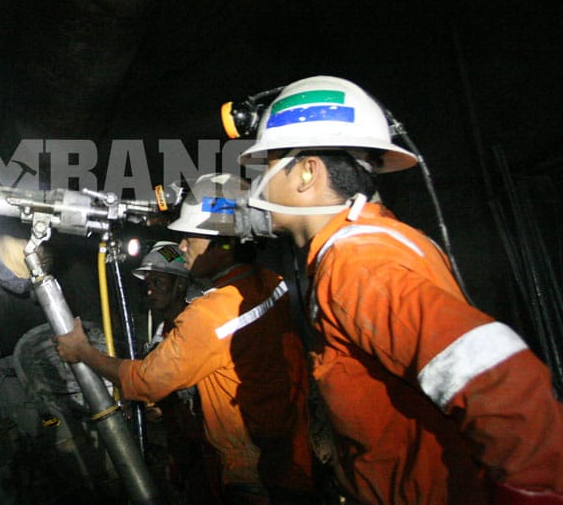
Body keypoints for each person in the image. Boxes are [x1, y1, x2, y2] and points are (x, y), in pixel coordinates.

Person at [231, 75, 563, 504]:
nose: (258, 182)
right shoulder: (374, 240)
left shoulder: (359, 263)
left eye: (269, 162)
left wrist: (531, 495)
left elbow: (504, 378)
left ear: (307, 172)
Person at [55, 175, 315, 504]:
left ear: (224, 243)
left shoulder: (208, 317)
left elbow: (146, 381)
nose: (182, 246)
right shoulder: (270, 281)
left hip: (254, 476)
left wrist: (82, 352)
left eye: (190, 235)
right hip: (293, 452)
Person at [133, 241, 221, 503]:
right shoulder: (161, 333)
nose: (149, 291)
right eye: (148, 284)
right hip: (184, 452)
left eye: (157, 283)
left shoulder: (197, 327)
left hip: (211, 453)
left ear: (180, 284)